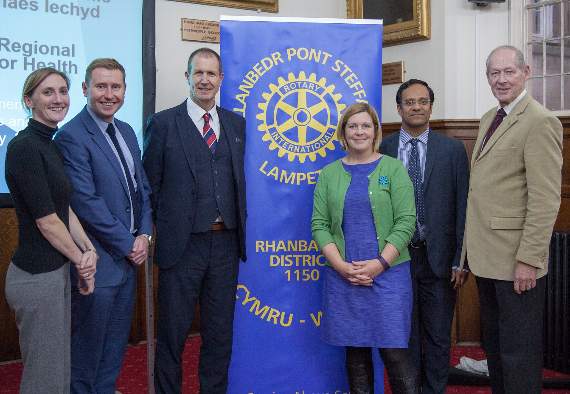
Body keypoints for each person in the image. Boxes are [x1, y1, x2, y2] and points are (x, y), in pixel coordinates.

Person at [143, 47, 246, 393]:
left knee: (219, 334)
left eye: (211, 74)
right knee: (172, 336)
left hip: (226, 245)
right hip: (181, 248)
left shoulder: (236, 124)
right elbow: (150, 186)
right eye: (197, 73)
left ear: (221, 79)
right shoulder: (162, 123)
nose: (204, 80)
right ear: (187, 77)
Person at [461, 45, 563, 394]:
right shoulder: (491, 116)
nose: (501, 79)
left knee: (519, 357)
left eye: (509, 72)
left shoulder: (540, 121)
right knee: (498, 354)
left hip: (516, 262)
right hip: (487, 260)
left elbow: (545, 199)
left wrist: (528, 260)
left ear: (526, 72)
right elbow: (482, 193)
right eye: (494, 73)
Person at [54, 58, 153, 393]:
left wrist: (145, 234)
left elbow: (143, 189)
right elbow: (85, 202)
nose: (109, 94)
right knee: (86, 351)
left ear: (125, 90)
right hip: (96, 262)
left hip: (128, 262)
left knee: (114, 349)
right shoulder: (71, 137)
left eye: (116, 87)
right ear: (85, 89)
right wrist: (128, 244)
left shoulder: (125, 131)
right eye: (101, 86)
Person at [312, 102, 419, 393]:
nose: (359, 131)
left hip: (389, 274)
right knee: (356, 353)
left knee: (394, 352)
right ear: (343, 133)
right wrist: (342, 267)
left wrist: (379, 264)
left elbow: (406, 221)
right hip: (343, 276)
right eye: (353, 126)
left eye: (365, 126)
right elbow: (319, 225)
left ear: (375, 132)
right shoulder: (329, 174)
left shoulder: (393, 169)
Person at [4, 67, 97, 394]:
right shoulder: (24, 147)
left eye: (62, 91)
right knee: (43, 379)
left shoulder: (50, 144)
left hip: (54, 272)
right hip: (35, 277)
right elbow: (46, 221)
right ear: (29, 100)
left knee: (57, 372)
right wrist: (81, 260)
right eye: (48, 92)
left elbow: (63, 208)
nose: (58, 99)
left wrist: (88, 249)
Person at [380, 79, 469, 394]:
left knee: (438, 335)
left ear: (431, 106)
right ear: (399, 108)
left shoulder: (453, 149)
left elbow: (463, 206)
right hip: (397, 258)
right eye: (409, 102)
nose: (416, 107)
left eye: (422, 101)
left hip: (441, 259)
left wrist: (461, 259)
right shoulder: (384, 149)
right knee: (405, 334)